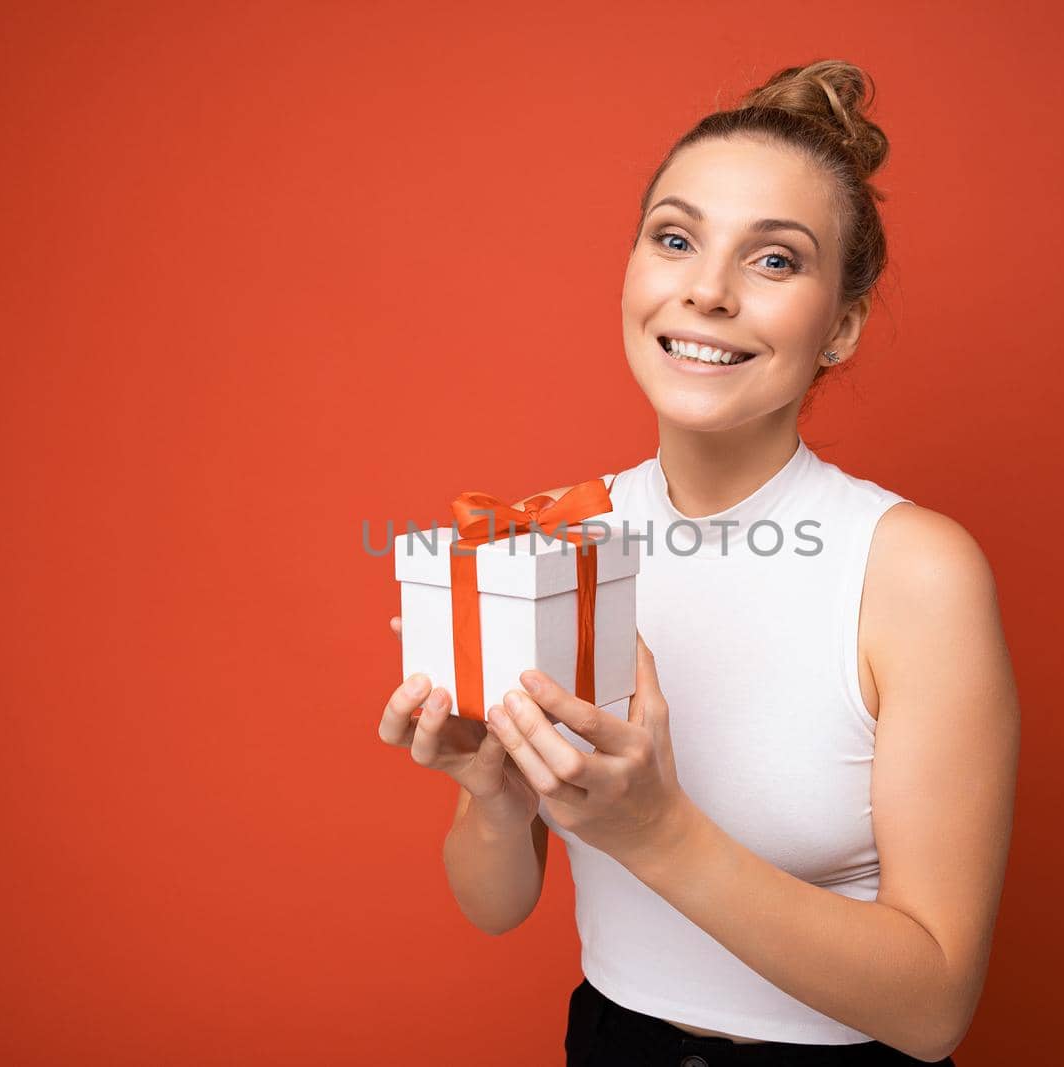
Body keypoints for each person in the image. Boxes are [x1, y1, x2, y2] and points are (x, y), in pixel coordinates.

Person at [376, 59, 1018, 1066]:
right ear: (631, 270)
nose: (706, 291)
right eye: (675, 239)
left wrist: (657, 831)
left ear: (840, 325)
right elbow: (495, 905)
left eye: (774, 261)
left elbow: (934, 1005)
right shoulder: (564, 537)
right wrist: (491, 791)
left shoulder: (911, 570)